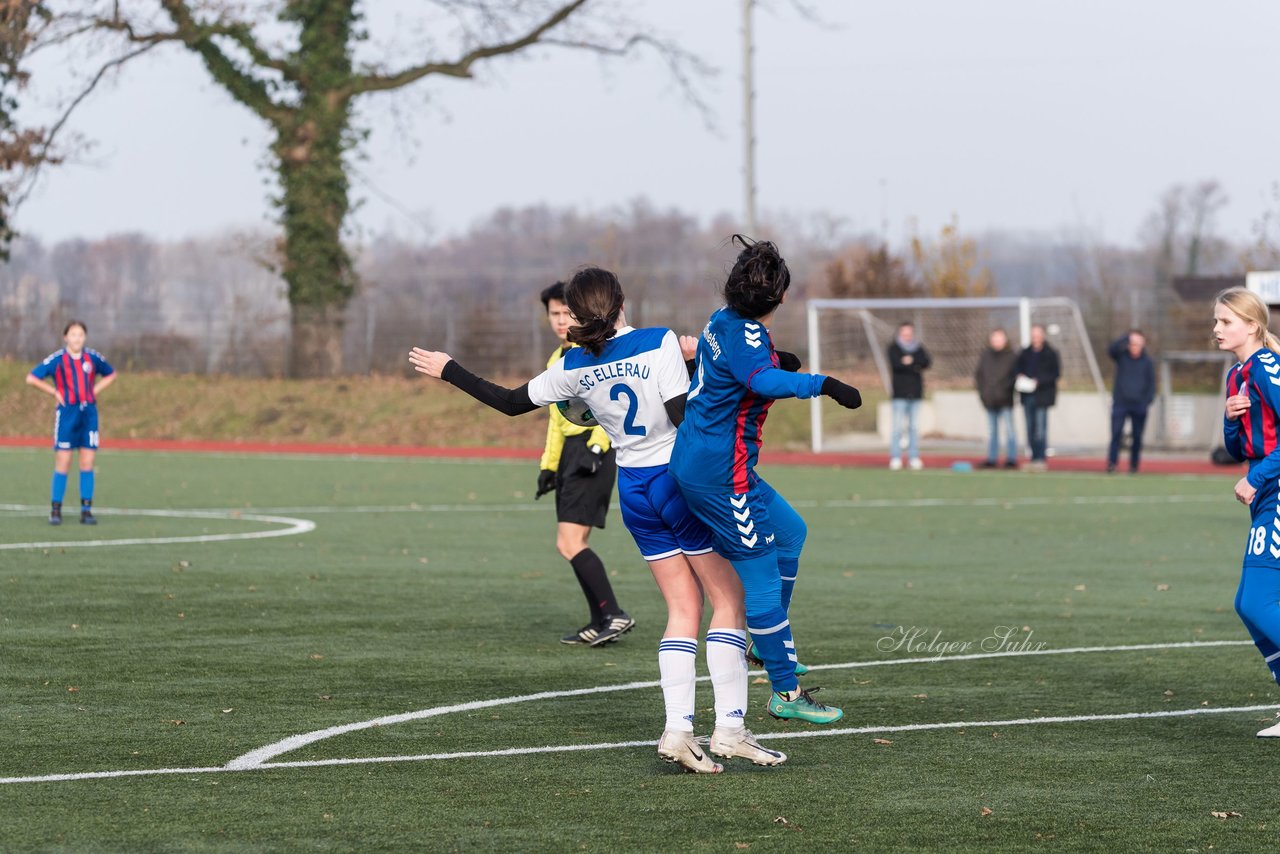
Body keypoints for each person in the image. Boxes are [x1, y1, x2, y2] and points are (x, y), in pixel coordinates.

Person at [409, 267, 788, 772]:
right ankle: (731, 729)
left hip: (633, 489)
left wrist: (449, 368)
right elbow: (684, 420)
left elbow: (507, 402)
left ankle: (678, 732)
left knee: (682, 608)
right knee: (730, 598)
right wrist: (710, 372)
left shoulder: (570, 365)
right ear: (621, 302)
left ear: (575, 314)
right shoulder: (658, 343)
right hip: (675, 481)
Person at [670, 235, 863, 726]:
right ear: (781, 297)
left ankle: (766, 640)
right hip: (721, 474)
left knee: (792, 532)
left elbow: (745, 366)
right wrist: (822, 383)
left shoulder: (721, 321)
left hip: (706, 460)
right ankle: (785, 691)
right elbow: (759, 379)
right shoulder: (750, 335)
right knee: (760, 576)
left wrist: (782, 362)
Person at [534, 282, 633, 647]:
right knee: (571, 542)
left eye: (567, 313)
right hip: (570, 455)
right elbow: (556, 422)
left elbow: (610, 406)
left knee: (569, 541)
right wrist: (548, 466)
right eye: (554, 314)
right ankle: (600, 618)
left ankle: (613, 613)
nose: (561, 321)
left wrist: (596, 447)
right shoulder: (555, 360)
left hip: (592, 452)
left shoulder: (589, 353)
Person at [1216, 287, 1280, 738]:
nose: (1216, 329)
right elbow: (1237, 448)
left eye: (1225, 321)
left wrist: (1257, 478)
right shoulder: (1236, 376)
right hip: (1265, 492)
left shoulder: (1267, 367)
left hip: (1276, 490)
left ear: (1251, 325)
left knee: (1256, 601)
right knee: (1248, 603)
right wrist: (1229, 417)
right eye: (1216, 322)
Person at [25, 320, 116, 525]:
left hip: (89, 414)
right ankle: (55, 510)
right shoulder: (58, 359)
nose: (77, 338)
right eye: (73, 334)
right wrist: (54, 392)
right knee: (63, 462)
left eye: (81, 334)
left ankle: (86, 510)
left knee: (87, 462)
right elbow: (32, 378)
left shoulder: (92, 358)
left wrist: (94, 391)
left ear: (85, 337)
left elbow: (111, 374)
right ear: (66, 337)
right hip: (67, 414)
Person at [1106, 329, 1156, 474]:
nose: (1135, 346)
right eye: (1132, 343)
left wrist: (1147, 401)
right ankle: (1112, 464)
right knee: (1116, 434)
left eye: (1138, 343)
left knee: (1137, 437)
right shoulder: (1121, 357)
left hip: (1139, 405)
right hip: (1121, 403)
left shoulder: (1147, 362)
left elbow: (1151, 383)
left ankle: (1134, 466)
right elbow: (1111, 349)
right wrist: (1125, 337)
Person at [1015, 324, 1060, 471]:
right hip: (1027, 395)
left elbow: (1055, 374)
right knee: (1030, 428)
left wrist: (1039, 380)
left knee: (1040, 429)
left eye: (1038, 334)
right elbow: (1017, 368)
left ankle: (1041, 458)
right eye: (1033, 335)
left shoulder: (1051, 353)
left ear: (1043, 335)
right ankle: (1033, 458)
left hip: (1043, 396)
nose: (1035, 337)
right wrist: (1020, 377)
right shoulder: (1025, 352)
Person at [887, 321, 931, 471]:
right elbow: (896, 365)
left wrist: (910, 361)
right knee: (897, 428)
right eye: (904, 333)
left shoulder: (918, 348)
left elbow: (926, 362)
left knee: (913, 427)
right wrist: (913, 365)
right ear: (900, 333)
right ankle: (896, 457)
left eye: (909, 333)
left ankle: (913, 457)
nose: (907, 336)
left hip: (916, 393)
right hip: (899, 393)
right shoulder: (894, 348)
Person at [974, 327, 1019, 469]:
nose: (996, 341)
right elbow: (979, 376)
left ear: (1005, 340)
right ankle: (992, 458)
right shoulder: (985, 356)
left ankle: (1011, 459)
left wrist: (1006, 390)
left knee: (1010, 430)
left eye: (999, 338)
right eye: (994, 338)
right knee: (992, 431)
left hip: (1005, 400)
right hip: (989, 400)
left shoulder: (1011, 356)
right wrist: (983, 393)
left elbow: (1014, 377)